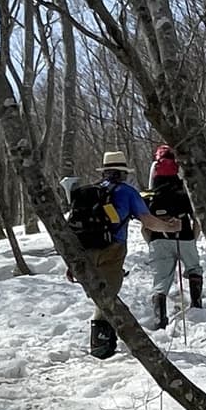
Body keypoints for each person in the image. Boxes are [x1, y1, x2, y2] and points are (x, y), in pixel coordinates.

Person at [75, 150, 180, 359]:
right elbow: (147, 220)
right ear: (123, 173)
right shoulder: (127, 192)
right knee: (107, 295)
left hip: (86, 249)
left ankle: (102, 342)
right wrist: (169, 226)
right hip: (113, 248)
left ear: (105, 171)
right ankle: (101, 345)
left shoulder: (90, 191)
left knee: (100, 295)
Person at [143, 145, 203, 330]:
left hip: (158, 239)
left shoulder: (150, 196)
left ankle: (159, 316)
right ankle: (196, 304)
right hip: (184, 235)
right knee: (194, 267)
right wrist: (192, 238)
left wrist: (153, 241)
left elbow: (145, 228)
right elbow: (197, 222)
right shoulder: (185, 194)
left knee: (161, 279)